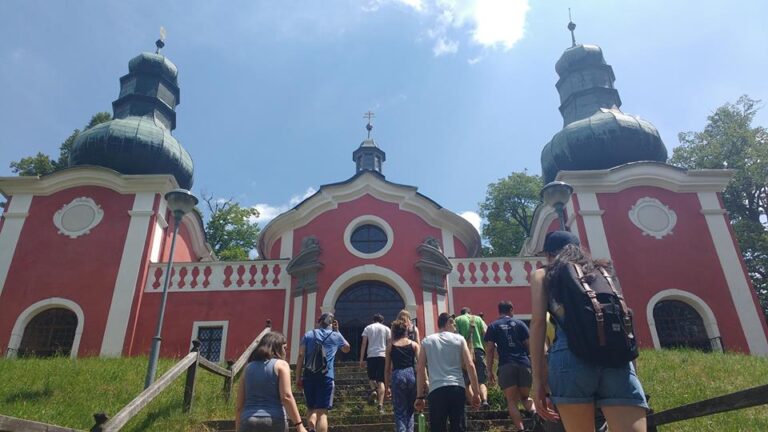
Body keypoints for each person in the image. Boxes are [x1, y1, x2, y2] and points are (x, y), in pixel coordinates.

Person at [530, 231, 648, 432]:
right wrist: (632, 370)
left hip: (570, 356)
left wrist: (538, 380)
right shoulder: (603, 271)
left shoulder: (543, 274)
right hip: (616, 357)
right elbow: (623, 316)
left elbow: (538, 323)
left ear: (549, 254)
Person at [415, 312, 481, 432]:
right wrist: (476, 393)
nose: (455, 328)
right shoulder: (459, 339)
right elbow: (470, 365)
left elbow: (420, 369)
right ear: (448, 323)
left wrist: (420, 396)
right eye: (454, 324)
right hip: (457, 388)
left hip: (436, 390)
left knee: (437, 428)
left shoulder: (427, 341)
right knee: (459, 427)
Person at [236, 331, 307, 432]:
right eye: (284, 348)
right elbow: (286, 397)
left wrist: (238, 428)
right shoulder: (281, 365)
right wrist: (299, 425)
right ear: (276, 348)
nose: (285, 352)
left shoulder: (247, 368)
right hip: (274, 421)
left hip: (248, 421)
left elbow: (239, 406)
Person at [484, 301, 534, 432]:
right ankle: (534, 414)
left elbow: (490, 349)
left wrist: (489, 370)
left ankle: (521, 429)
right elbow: (529, 345)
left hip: (506, 364)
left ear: (499, 311)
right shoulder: (520, 324)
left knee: (511, 401)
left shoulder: (493, 326)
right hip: (523, 363)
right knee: (525, 398)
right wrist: (533, 363)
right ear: (511, 309)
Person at [296, 313, 351, 432]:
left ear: (319, 322)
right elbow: (347, 348)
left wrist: (298, 377)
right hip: (326, 377)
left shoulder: (308, 335)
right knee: (322, 413)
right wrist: (338, 331)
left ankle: (311, 427)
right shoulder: (336, 336)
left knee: (311, 408)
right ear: (331, 323)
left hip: (309, 376)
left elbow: (300, 355)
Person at [384, 319, 420, 432]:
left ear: (394, 332)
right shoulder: (414, 345)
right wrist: (424, 381)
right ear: (406, 331)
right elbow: (420, 366)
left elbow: (387, 369)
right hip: (411, 374)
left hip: (397, 375)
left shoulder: (390, 347)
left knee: (400, 411)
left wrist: (387, 387)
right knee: (410, 410)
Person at [454, 306, 489, 409]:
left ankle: (475, 404)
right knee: (481, 381)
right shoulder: (478, 319)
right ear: (470, 312)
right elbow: (486, 334)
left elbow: (455, 336)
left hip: (464, 353)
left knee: (466, 383)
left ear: (461, 313)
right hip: (479, 351)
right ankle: (485, 401)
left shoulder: (458, 320)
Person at [360, 313, 391, 414]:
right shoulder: (386, 329)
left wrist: (361, 359)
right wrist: (390, 359)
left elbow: (364, 343)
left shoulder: (368, 328)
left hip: (371, 356)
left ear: (373, 320)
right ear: (382, 321)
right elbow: (389, 344)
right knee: (381, 381)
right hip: (383, 356)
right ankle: (380, 405)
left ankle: (373, 390)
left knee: (371, 378)